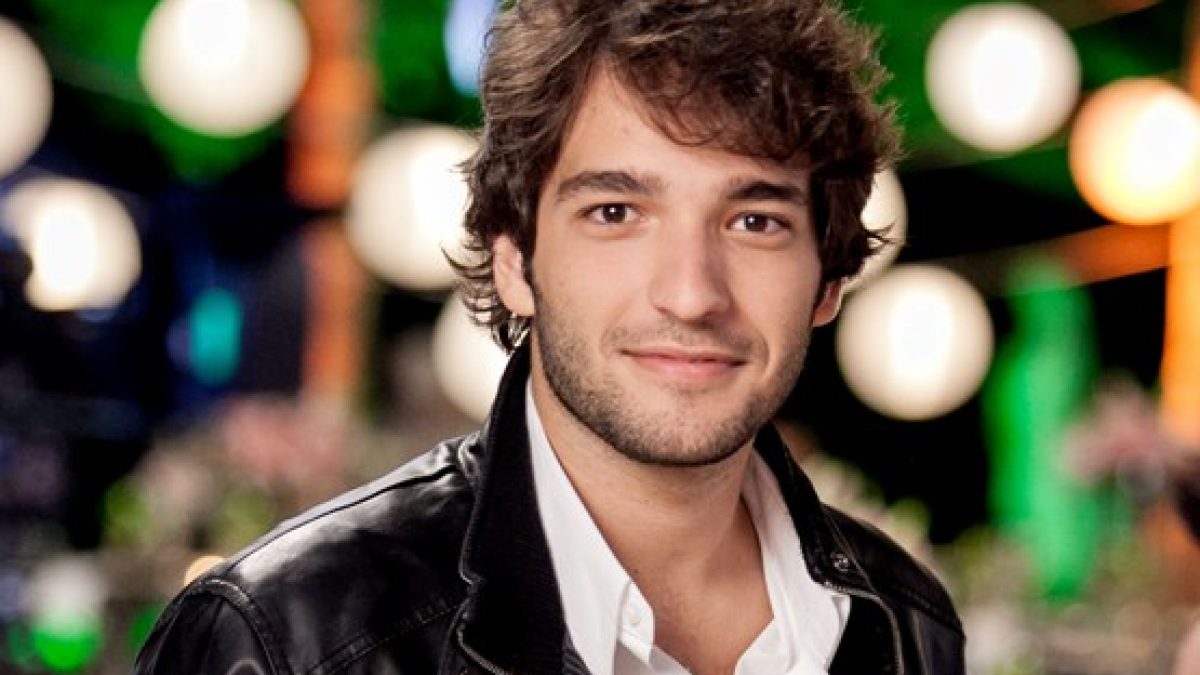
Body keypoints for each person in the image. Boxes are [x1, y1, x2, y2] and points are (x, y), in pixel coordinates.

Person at [134, 0, 966, 672]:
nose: (691, 294)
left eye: (754, 221)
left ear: (828, 278)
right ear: (514, 260)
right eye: (617, 212)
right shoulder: (283, 638)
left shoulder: (907, 626)